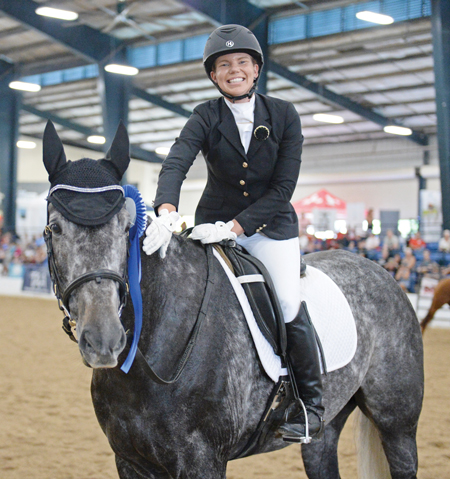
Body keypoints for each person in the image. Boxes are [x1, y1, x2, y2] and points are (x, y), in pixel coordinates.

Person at [142, 24, 323, 442]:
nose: (234, 70)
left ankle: (309, 405)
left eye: (242, 62)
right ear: (213, 75)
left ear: (255, 69)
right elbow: (176, 161)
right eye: (224, 65)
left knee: (286, 301)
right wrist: (167, 210)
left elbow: (283, 188)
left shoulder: (284, 114)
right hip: (210, 226)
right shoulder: (205, 115)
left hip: (269, 227)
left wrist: (238, 227)